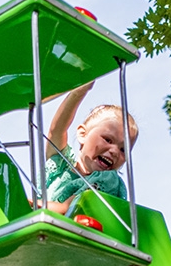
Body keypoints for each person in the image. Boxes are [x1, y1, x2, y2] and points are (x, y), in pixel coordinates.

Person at [43, 81, 137, 214]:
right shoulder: (60, 167)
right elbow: (56, 131)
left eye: (123, 150)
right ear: (83, 134)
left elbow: (68, 209)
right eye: (108, 140)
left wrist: (31, 204)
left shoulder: (108, 180)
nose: (115, 151)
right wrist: (78, 92)